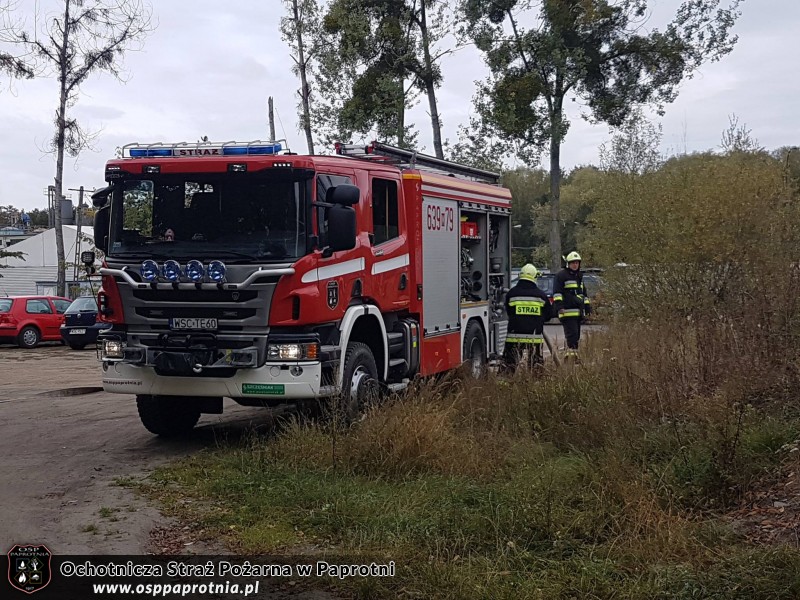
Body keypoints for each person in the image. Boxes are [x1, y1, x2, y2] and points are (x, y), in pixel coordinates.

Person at [503, 264, 552, 369]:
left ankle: (505, 380)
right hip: (535, 338)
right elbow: (548, 315)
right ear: (534, 277)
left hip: (514, 338)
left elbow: (509, 312)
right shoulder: (541, 296)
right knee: (536, 368)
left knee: (509, 367)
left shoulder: (511, 293)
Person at [553, 251, 591, 360]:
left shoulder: (579, 276)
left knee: (576, 336)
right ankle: (570, 359)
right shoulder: (561, 276)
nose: (575, 265)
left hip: (578, 312)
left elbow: (583, 294)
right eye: (573, 263)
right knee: (572, 336)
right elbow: (557, 293)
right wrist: (560, 307)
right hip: (567, 311)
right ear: (568, 264)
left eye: (577, 263)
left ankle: (572, 357)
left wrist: (587, 308)